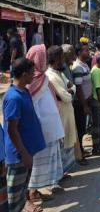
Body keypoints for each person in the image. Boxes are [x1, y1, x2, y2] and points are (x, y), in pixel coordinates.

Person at [3, 58, 46, 212]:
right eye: (31, 73)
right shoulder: (13, 98)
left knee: (22, 194)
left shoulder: (24, 91)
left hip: (27, 151)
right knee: (14, 198)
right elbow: (11, 130)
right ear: (23, 74)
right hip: (18, 155)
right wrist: (24, 154)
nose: (34, 75)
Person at [25, 44, 65, 203]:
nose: (46, 60)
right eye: (43, 57)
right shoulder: (30, 82)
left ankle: (36, 190)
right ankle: (31, 193)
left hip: (50, 131)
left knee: (45, 163)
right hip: (40, 132)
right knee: (36, 164)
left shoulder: (43, 78)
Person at [46, 46, 78, 174]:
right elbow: (65, 97)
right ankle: (57, 176)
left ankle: (63, 172)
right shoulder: (51, 76)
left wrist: (69, 91)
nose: (63, 60)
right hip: (61, 116)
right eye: (61, 57)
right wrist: (69, 92)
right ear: (56, 59)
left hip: (67, 114)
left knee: (66, 147)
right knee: (60, 148)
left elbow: (72, 86)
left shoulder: (59, 73)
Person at [71, 43, 92, 165]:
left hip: (86, 100)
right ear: (79, 53)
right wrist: (84, 105)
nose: (88, 52)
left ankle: (81, 152)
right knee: (80, 129)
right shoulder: (78, 67)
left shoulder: (84, 65)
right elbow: (78, 88)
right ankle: (79, 156)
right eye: (85, 50)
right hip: (80, 103)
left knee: (83, 128)